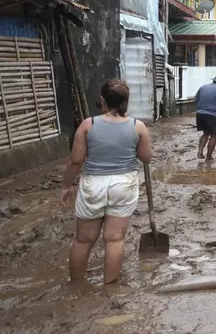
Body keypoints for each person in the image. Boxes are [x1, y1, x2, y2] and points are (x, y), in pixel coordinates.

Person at [60, 79, 153, 285]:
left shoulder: (88, 125)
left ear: (102, 100)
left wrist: (66, 186)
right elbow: (146, 157)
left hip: (93, 184)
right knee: (115, 239)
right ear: (126, 101)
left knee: (83, 240)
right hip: (124, 185)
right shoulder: (138, 127)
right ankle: (110, 288)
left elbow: (76, 161)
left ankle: (76, 286)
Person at [195, 73, 216, 160]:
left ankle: (200, 153)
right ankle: (209, 157)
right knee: (214, 135)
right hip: (211, 115)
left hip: (199, 114)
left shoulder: (203, 87)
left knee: (205, 133)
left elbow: (195, 100)